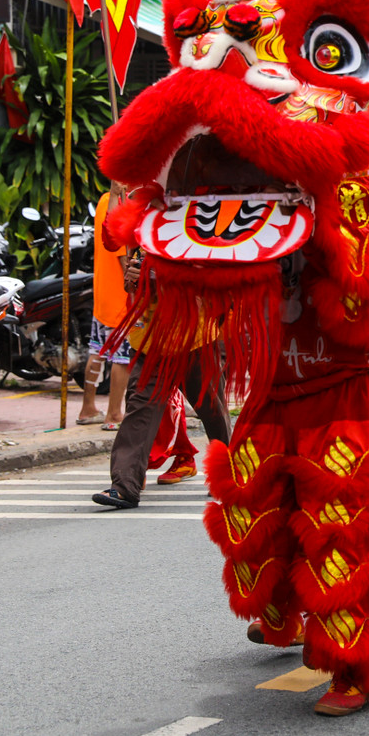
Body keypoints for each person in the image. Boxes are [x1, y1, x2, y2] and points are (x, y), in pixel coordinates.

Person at [92, 253, 232, 508]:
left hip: (195, 339)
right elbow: (131, 288)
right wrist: (133, 279)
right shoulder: (142, 239)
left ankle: (227, 473)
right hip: (151, 343)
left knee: (212, 410)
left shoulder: (197, 236)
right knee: (140, 411)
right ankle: (124, 486)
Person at [76, 188, 130, 427]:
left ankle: (87, 408)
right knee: (123, 358)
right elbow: (122, 254)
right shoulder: (121, 204)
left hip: (103, 293)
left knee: (97, 351)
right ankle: (114, 414)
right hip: (121, 296)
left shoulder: (104, 201)